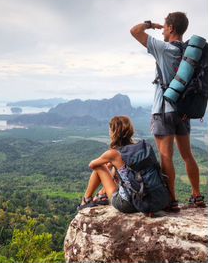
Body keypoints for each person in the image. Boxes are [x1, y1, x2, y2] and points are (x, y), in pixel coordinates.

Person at [130, 12, 206, 210]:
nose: (162, 29)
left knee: (166, 157)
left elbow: (134, 31)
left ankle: (171, 201)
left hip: (163, 110)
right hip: (183, 110)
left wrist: (150, 24)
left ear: (171, 28)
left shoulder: (164, 49)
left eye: (164, 26)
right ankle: (197, 196)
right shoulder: (190, 53)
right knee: (187, 155)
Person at [78, 116, 169, 214]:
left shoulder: (113, 153)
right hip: (152, 199)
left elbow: (92, 165)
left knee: (100, 167)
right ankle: (102, 194)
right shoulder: (143, 147)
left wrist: (108, 163)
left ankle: (86, 200)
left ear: (113, 132)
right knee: (117, 168)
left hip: (128, 204)